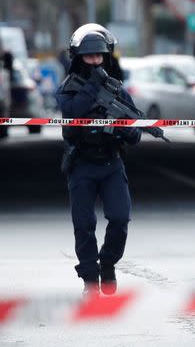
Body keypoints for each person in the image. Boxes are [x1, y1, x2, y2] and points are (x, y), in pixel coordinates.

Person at [56, 24, 141, 297]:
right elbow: (72, 112)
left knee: (120, 218)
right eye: (88, 57)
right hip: (81, 163)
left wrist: (124, 128)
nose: (94, 61)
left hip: (111, 163)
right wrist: (93, 86)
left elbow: (136, 132)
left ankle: (107, 262)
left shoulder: (117, 90)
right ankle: (90, 279)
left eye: (99, 56)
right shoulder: (69, 89)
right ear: (78, 58)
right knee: (83, 224)